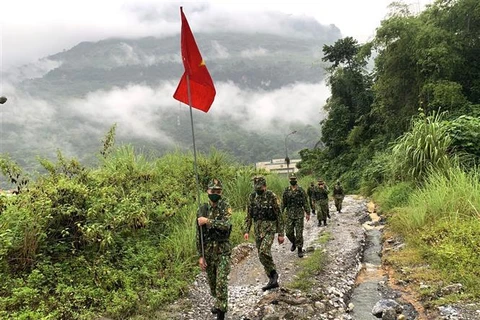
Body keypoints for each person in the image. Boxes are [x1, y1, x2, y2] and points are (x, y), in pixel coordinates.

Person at [196, 178, 232, 320]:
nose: (215, 193)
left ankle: (221, 312)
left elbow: (226, 225)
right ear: (207, 191)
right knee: (213, 284)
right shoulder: (202, 209)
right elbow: (198, 235)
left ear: (221, 192)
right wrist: (201, 255)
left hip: (223, 250)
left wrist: (208, 221)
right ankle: (219, 302)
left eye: (218, 191)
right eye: (213, 191)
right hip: (209, 252)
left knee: (221, 282)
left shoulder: (225, 206)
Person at [244, 175, 285, 291]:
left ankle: (274, 274)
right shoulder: (251, 197)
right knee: (261, 255)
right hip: (257, 230)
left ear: (265, 186)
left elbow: (279, 215)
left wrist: (281, 233)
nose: (258, 189)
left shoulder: (271, 196)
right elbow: (248, 216)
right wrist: (246, 230)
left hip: (269, 228)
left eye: (260, 187)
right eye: (256, 187)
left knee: (264, 250)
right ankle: (272, 279)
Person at [282, 173, 310, 258]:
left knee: (299, 233)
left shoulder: (301, 190)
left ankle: (300, 249)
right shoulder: (286, 190)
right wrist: (280, 212)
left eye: (294, 179)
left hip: (299, 214)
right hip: (289, 214)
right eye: (291, 179)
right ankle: (294, 242)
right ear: (289, 180)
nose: (293, 181)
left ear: (296, 180)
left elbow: (305, 201)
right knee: (288, 232)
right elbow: (283, 203)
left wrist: (307, 212)